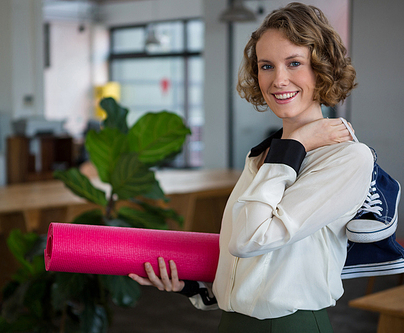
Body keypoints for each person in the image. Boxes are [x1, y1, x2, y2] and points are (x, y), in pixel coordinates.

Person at [129, 3, 374, 332]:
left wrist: (293, 147)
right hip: (233, 323)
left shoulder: (346, 158)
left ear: (321, 68)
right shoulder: (263, 156)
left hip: (291, 326)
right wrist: (191, 284)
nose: (278, 79)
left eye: (294, 63)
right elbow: (247, 257)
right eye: (266, 66)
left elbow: (250, 240)